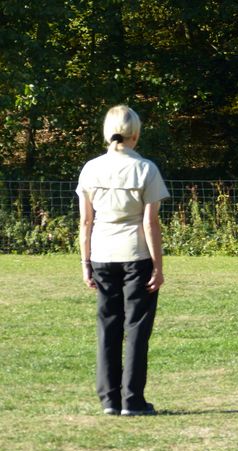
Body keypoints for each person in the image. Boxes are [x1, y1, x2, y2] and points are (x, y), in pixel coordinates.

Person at [76, 105, 169, 416]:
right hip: (136, 255)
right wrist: (158, 266)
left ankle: (109, 400)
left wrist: (85, 262)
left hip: (102, 255)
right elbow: (150, 223)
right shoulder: (145, 169)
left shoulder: (91, 169)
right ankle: (133, 400)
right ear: (136, 134)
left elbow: (85, 222)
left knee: (108, 326)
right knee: (137, 328)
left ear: (107, 132)